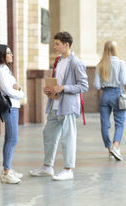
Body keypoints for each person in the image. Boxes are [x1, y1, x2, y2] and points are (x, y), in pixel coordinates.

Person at [29, 31, 89, 181]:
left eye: (57, 44)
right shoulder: (58, 61)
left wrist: (64, 88)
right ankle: (47, 167)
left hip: (68, 107)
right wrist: (50, 89)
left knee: (67, 138)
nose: (54, 46)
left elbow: (83, 86)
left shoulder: (76, 62)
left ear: (66, 45)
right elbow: (58, 82)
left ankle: (68, 169)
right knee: (48, 134)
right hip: (55, 105)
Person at [0, 44, 25, 184]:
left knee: (9, 139)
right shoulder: (1, 70)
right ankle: (6, 172)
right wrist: (20, 93)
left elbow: (15, 86)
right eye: (9, 53)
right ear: (2, 55)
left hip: (12, 107)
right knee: (13, 139)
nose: (12, 55)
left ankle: (7, 169)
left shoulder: (6, 70)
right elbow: (9, 91)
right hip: (9, 107)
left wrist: (18, 88)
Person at [93, 41, 126, 161]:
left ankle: (109, 148)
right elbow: (123, 81)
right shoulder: (121, 63)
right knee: (119, 122)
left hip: (105, 94)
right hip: (117, 94)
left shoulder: (100, 65)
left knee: (104, 124)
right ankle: (115, 147)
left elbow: (97, 85)